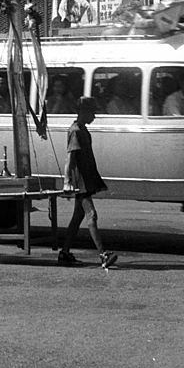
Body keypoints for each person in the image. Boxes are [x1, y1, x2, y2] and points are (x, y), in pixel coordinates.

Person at [58, 97, 117, 269]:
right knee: (92, 215)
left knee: (77, 217)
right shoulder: (75, 131)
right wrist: (67, 181)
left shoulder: (82, 130)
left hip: (85, 179)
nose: (94, 116)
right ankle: (103, 254)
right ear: (83, 112)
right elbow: (70, 158)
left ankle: (64, 252)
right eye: (92, 112)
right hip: (80, 181)